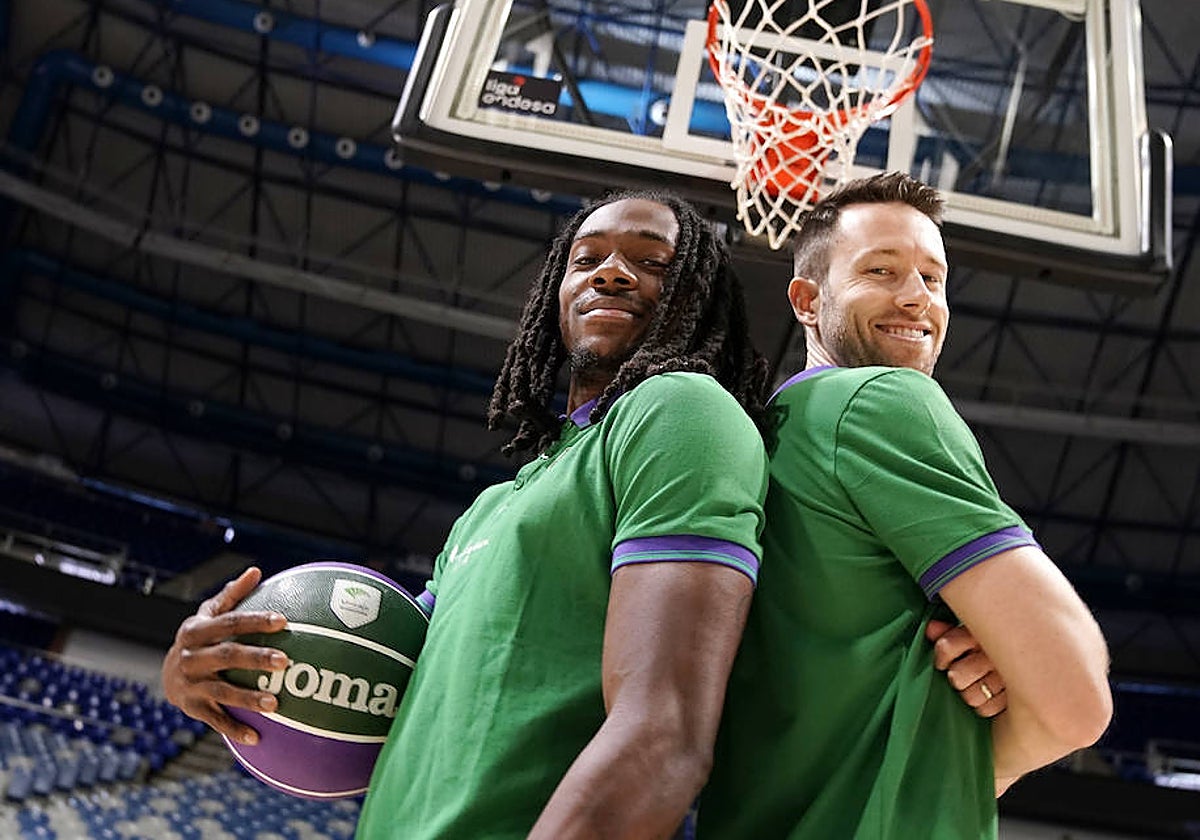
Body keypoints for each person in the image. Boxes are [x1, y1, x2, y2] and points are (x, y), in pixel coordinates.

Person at [163, 190, 774, 839]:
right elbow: (385, 694)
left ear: (699, 295)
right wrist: (215, 672)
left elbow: (663, 737)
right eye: (586, 258)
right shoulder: (490, 509)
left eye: (652, 263)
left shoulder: (680, 411)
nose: (611, 273)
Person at [698, 172, 1114, 839]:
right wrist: (956, 752)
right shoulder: (880, 401)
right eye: (881, 271)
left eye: (933, 277)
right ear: (808, 300)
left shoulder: (760, 439)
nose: (917, 296)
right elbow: (1075, 700)